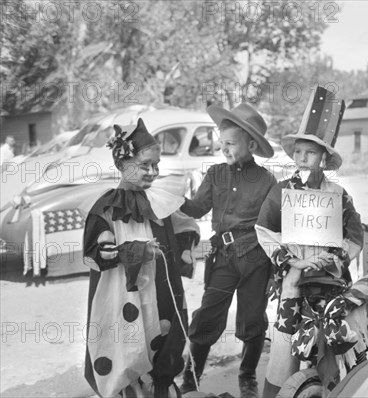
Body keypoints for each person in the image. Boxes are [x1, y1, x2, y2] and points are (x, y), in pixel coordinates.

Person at [255, 86, 363, 398]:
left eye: (311, 152)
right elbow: (264, 230)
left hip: (329, 280)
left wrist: (337, 257)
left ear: (324, 158)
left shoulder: (338, 194)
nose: (303, 158)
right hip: (293, 281)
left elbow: (353, 233)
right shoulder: (280, 191)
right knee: (286, 348)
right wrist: (294, 261)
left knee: (329, 347)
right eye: (299, 152)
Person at [83, 118, 200, 397]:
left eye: (156, 165)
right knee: (128, 349)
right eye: (145, 164)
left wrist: (186, 245)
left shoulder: (159, 202)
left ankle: (160, 385)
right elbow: (93, 256)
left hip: (160, 297)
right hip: (123, 299)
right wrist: (138, 251)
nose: (153, 172)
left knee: (162, 340)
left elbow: (185, 230)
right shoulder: (105, 210)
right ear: (123, 164)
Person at [179, 103, 276, 397]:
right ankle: (190, 377)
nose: (224, 148)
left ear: (250, 144)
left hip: (256, 259)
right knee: (208, 314)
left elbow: (273, 228)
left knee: (252, 318)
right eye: (222, 143)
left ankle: (247, 376)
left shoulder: (267, 181)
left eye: (231, 143)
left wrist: (273, 271)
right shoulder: (215, 174)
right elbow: (196, 208)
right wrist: (172, 199)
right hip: (222, 257)